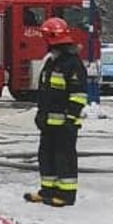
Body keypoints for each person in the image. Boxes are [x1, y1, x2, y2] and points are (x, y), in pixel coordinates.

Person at [26, 17, 89, 206]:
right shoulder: (53, 62)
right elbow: (45, 92)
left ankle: (66, 195)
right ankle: (48, 190)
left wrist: (71, 118)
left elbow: (78, 95)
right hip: (49, 123)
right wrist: (41, 114)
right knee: (46, 156)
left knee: (64, 158)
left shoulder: (72, 64)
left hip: (65, 123)